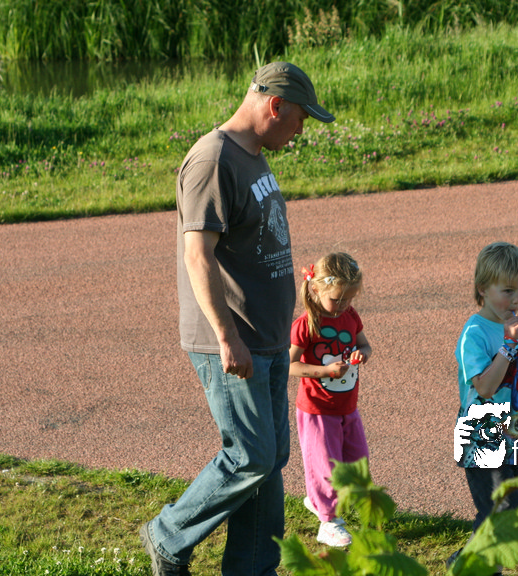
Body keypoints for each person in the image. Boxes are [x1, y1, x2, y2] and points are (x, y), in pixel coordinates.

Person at [139, 62, 335, 576]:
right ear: (276, 106)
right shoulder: (212, 160)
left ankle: (253, 569)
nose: (300, 131)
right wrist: (227, 337)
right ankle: (168, 535)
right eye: (300, 119)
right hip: (231, 340)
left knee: (268, 461)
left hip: (265, 337)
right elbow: (197, 255)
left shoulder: (252, 156)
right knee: (250, 456)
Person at [448, 242, 518, 572]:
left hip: (511, 433)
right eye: (508, 290)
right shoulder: (475, 333)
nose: (517, 299)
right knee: (499, 511)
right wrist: (508, 345)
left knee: (516, 507)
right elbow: (485, 387)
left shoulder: (516, 330)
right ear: (483, 289)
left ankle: (464, 562)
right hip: (483, 434)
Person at [289, 252, 372, 548]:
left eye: (349, 299)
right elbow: (289, 364)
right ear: (316, 289)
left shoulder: (350, 316)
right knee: (326, 467)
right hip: (317, 409)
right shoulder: (306, 324)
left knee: (357, 461)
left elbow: (365, 345)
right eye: (337, 299)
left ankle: (317, 501)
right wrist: (324, 371)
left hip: (347, 407)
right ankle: (328, 522)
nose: (343, 305)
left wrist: (362, 354)